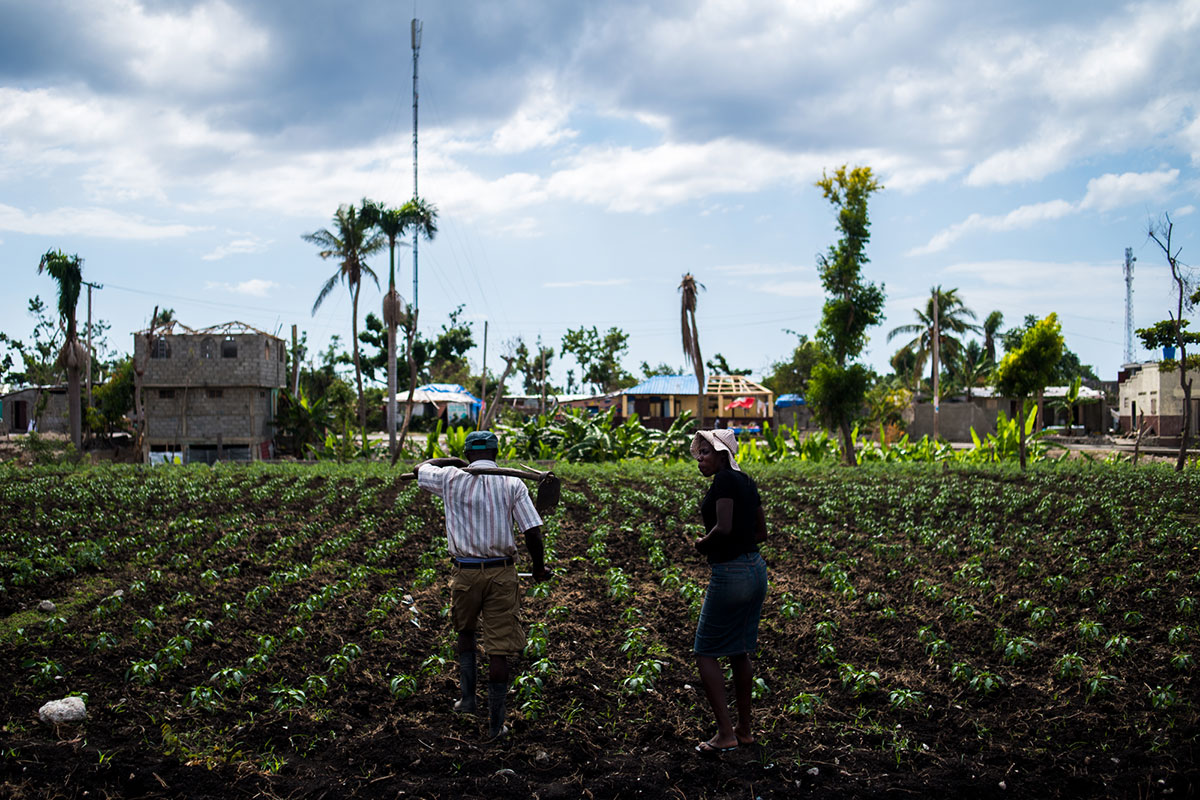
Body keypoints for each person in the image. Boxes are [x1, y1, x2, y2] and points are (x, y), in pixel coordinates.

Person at [415, 430, 550, 739]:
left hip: (464, 572)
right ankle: (495, 725)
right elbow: (532, 532)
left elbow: (419, 469)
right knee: (498, 651)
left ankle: (467, 699)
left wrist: (448, 460)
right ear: (496, 451)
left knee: (465, 633)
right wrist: (539, 568)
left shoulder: (449, 477)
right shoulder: (512, 483)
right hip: (502, 574)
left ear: (468, 453)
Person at [689, 428, 768, 756]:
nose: (700, 459)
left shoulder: (723, 481)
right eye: (699, 453)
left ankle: (725, 733)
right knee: (738, 651)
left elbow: (723, 527)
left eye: (706, 452)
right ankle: (744, 729)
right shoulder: (747, 481)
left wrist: (701, 543)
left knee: (705, 651)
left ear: (723, 455)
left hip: (731, 572)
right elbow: (761, 531)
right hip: (755, 569)